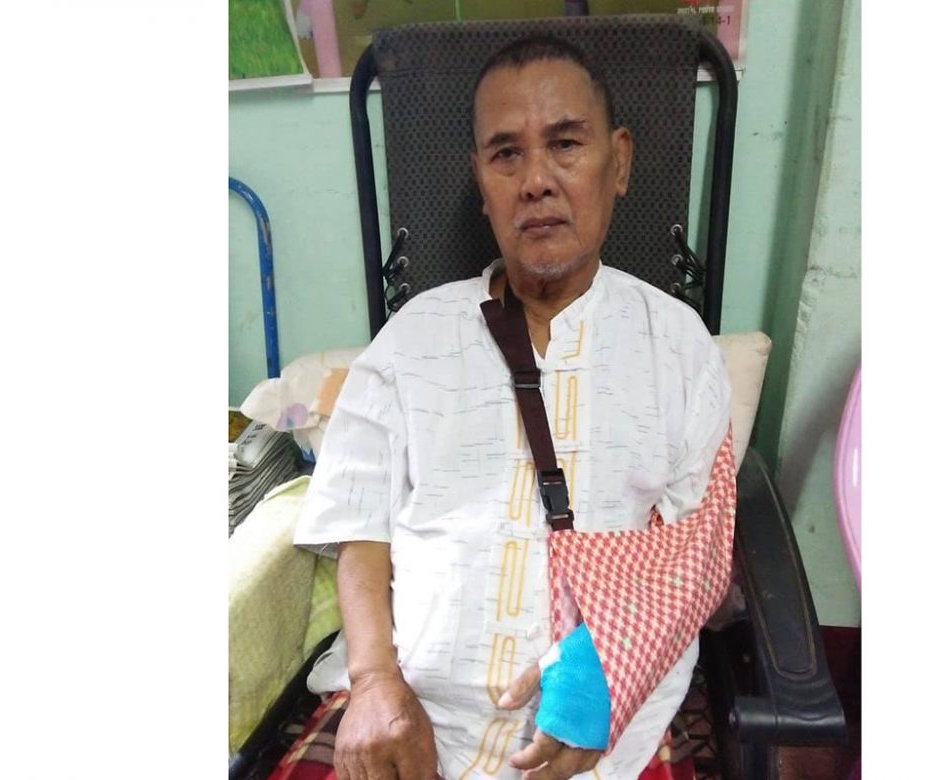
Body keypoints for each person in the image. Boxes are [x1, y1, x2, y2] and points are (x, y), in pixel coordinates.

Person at [291, 34, 733, 780]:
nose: (535, 181)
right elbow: (359, 525)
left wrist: (608, 669)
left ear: (620, 162)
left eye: (566, 144)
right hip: (413, 725)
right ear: (482, 181)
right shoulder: (411, 341)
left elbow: (697, 548)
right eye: (506, 155)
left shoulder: (678, 345)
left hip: (607, 726)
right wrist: (372, 681)